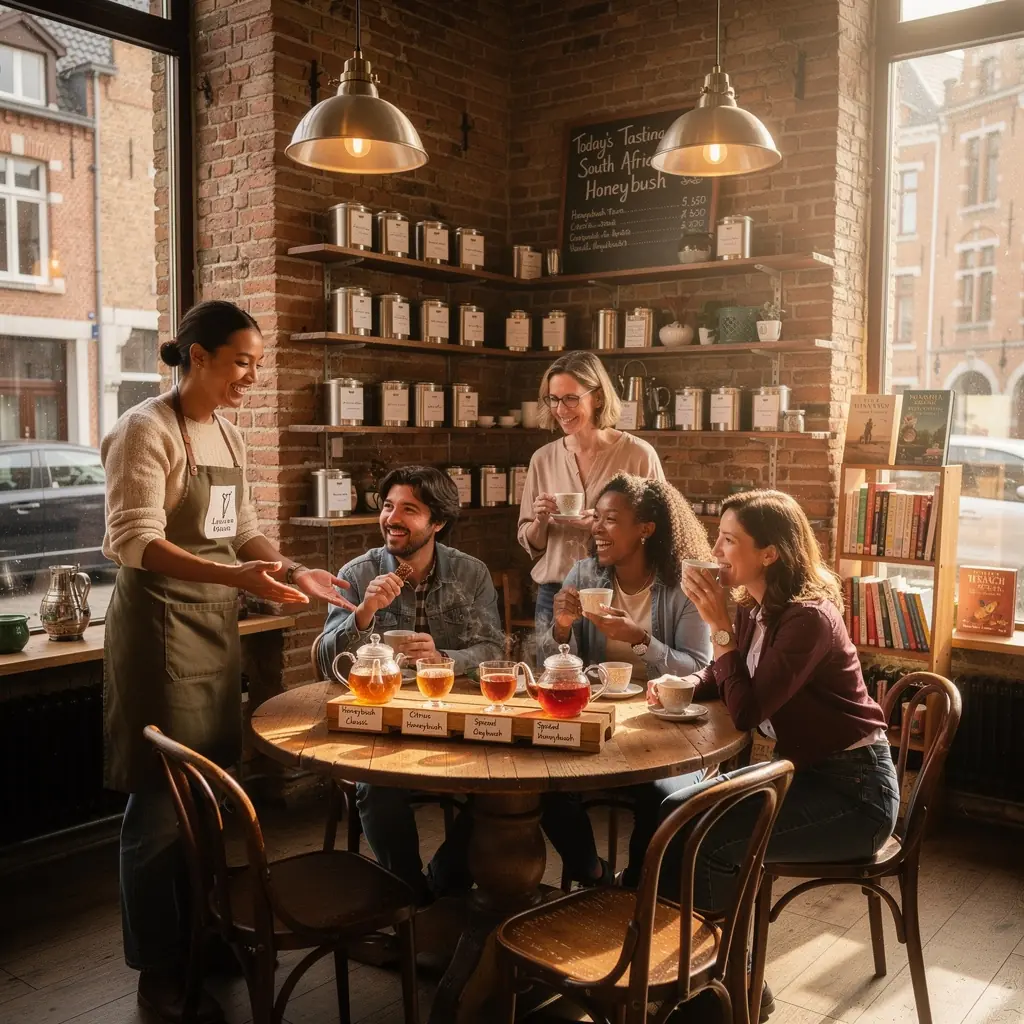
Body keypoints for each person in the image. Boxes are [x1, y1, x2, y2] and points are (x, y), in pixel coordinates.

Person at [102, 300, 354, 1023]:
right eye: (241, 360)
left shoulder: (229, 435)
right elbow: (135, 542)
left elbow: (240, 529)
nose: (251, 374)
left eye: (256, 362)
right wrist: (241, 581)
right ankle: (157, 963)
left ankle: (203, 935)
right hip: (156, 631)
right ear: (198, 355)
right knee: (159, 804)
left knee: (211, 794)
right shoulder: (145, 431)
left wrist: (290, 567)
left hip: (211, 629)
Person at [655, 489, 900, 1018]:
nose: (716, 550)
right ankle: (664, 968)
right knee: (672, 817)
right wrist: (683, 683)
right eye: (717, 536)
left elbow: (748, 707)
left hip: (854, 792)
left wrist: (716, 627)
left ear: (770, 553)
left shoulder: (809, 618)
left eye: (728, 540)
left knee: (710, 841)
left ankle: (730, 991)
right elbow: (730, 676)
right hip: (795, 775)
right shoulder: (751, 608)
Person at [317, 465, 505, 904]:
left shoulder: (470, 573)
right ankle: (410, 891)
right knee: (375, 788)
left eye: (409, 510)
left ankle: (446, 873)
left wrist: (444, 658)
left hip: (453, 716)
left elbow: (493, 650)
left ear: (437, 522)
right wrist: (362, 613)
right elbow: (328, 663)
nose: (392, 518)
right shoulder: (358, 573)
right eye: (387, 506)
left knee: (503, 785)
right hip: (381, 720)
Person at [541, 474, 713, 886]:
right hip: (599, 719)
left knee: (659, 794)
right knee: (543, 785)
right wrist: (561, 628)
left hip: (668, 726)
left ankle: (636, 887)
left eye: (611, 519)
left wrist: (640, 640)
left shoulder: (680, 588)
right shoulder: (583, 576)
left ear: (645, 529)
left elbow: (699, 669)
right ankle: (593, 873)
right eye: (596, 518)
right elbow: (543, 665)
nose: (597, 528)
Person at [517, 351, 665, 640]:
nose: (561, 409)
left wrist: (600, 527)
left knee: (614, 678)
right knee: (553, 678)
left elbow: (661, 530)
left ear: (597, 397)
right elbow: (531, 541)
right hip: (555, 593)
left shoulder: (639, 455)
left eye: (571, 398)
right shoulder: (542, 459)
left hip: (619, 594)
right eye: (554, 399)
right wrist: (541, 520)